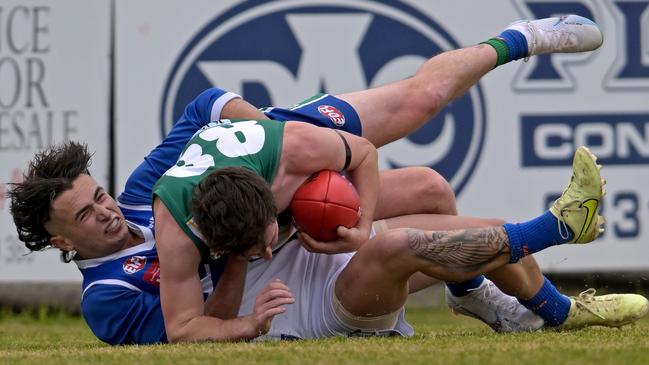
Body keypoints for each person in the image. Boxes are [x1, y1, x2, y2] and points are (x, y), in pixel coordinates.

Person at [9, 15, 635, 344]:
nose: (108, 210)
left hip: (275, 177)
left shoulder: (149, 193)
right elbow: (190, 330)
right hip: (279, 260)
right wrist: (249, 242)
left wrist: (269, 153)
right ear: (62, 242)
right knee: (406, 228)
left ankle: (520, 39)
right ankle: (537, 276)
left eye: (99, 195)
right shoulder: (110, 294)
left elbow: (206, 105)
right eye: (87, 216)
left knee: (426, 175)